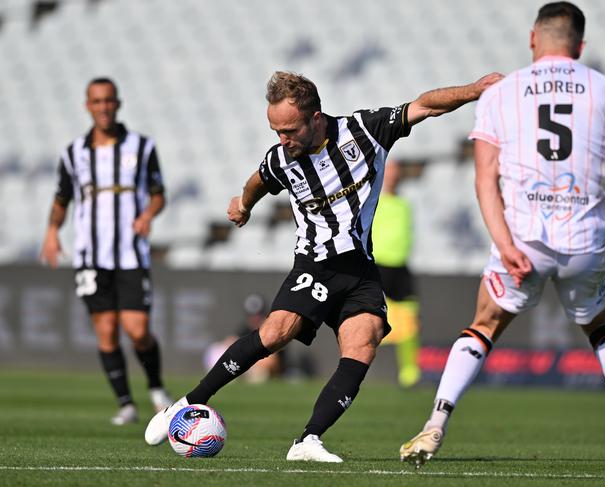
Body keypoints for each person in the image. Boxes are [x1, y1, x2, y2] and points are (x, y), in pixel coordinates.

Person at [145, 69, 502, 461]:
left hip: (361, 269)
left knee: (363, 345)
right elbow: (257, 181)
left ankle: (308, 440)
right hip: (315, 264)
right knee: (276, 333)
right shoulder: (281, 158)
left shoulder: (365, 131)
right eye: (275, 131)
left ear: (316, 118)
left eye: (290, 130)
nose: (282, 140)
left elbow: (425, 106)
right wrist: (243, 205)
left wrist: (474, 91)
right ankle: (185, 403)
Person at [399, 3, 605, 483]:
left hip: (523, 240)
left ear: (533, 39)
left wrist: (503, 242)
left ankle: (435, 423)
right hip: (584, 241)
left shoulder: (501, 92)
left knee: (484, 326)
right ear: (579, 45)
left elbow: (485, 178)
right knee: (601, 326)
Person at [40, 77, 173, 425]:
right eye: (96, 101)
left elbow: (159, 193)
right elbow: (61, 199)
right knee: (106, 329)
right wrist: (52, 231)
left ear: (118, 103)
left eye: (108, 100)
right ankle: (126, 404)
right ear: (88, 106)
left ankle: (157, 388)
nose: (103, 107)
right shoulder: (73, 154)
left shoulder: (142, 147)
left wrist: (147, 214)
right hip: (90, 256)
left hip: (130, 253)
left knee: (138, 329)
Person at [372, 160, 421, 387]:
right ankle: (358, 365)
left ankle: (410, 373)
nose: (393, 177)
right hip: (378, 267)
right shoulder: (372, 200)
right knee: (370, 320)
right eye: (389, 172)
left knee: (410, 321)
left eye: (396, 173)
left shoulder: (405, 204)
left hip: (400, 269)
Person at [203, 293, 284, 382]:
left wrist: (244, 361)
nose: (254, 319)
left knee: (259, 374)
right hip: (247, 369)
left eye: (258, 315)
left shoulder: (273, 331)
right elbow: (229, 343)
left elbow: (272, 363)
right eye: (251, 316)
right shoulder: (245, 330)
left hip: (270, 374)